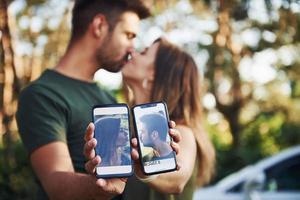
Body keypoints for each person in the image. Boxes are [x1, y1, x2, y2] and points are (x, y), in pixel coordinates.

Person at [16, 0, 152, 199]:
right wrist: (100, 185)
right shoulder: (42, 94)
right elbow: (56, 183)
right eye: (128, 36)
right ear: (99, 26)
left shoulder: (109, 99)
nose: (133, 49)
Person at [120, 38, 216, 199]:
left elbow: (177, 180)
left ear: (154, 74)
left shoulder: (181, 131)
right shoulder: (127, 128)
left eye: (143, 53)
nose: (132, 52)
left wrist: (146, 172)